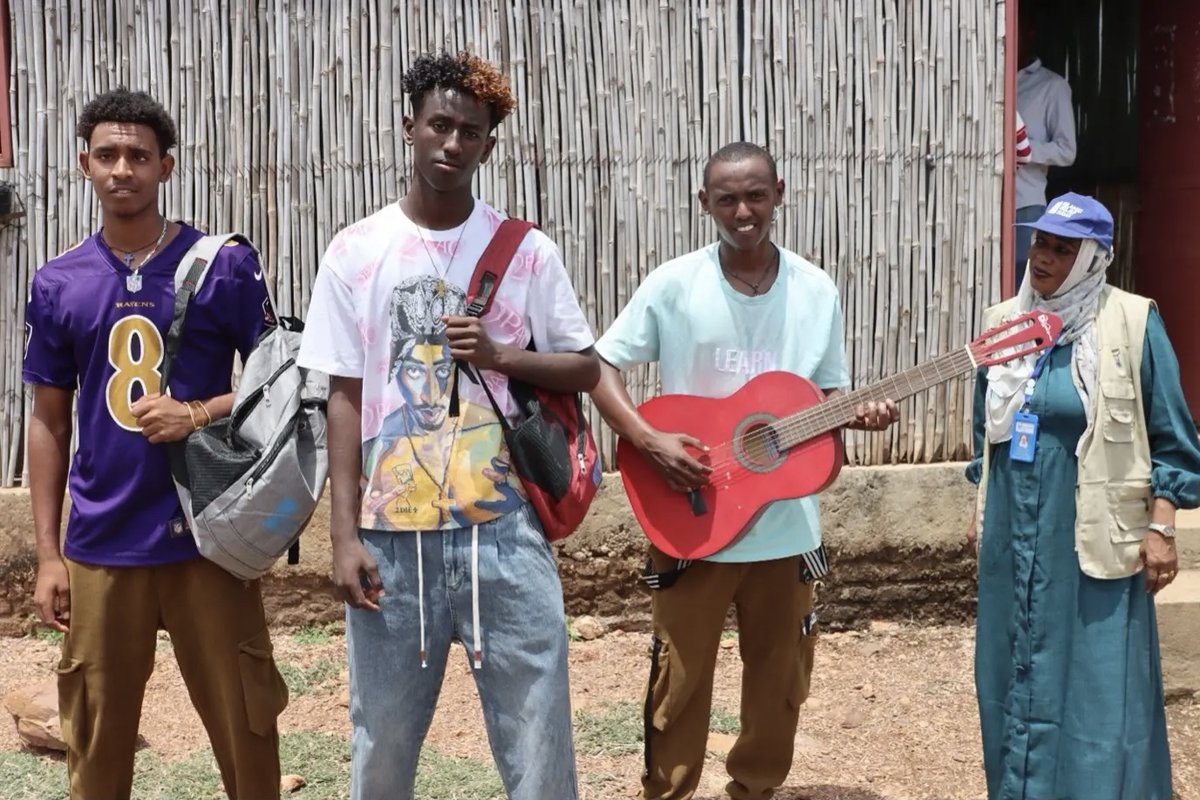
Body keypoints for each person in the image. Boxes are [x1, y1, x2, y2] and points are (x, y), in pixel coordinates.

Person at [297, 51, 599, 800]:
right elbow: (342, 394)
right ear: (409, 127)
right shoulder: (356, 251)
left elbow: (585, 368)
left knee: (539, 740)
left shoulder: (526, 252)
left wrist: (501, 355)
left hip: (505, 534)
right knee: (381, 744)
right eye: (439, 125)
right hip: (389, 543)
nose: (452, 143)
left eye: (471, 132)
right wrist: (341, 534)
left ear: (489, 145)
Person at [590, 141, 899, 800]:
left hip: (786, 531)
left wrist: (856, 414)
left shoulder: (815, 290)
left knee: (779, 684)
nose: (743, 212)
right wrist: (647, 439)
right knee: (678, 682)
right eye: (727, 199)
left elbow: (825, 397)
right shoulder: (675, 284)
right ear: (705, 202)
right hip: (693, 523)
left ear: (779, 193)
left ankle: (755, 791)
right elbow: (599, 364)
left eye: (756, 195)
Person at [23, 89, 286, 800]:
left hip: (210, 536)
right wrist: (49, 554)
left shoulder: (222, 266)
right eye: (107, 155)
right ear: (84, 163)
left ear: (165, 167)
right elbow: (49, 422)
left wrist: (196, 413)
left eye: (138, 156)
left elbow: (281, 384)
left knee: (247, 732)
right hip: (102, 544)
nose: (122, 169)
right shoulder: (58, 281)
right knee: (95, 742)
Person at [967, 192, 1198, 800]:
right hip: (1013, 531)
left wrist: (1162, 526)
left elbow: (1173, 439)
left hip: (1094, 533)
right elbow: (983, 431)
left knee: (1099, 683)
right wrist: (981, 504)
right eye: (1040, 242)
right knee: (1010, 671)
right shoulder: (1002, 323)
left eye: (1063, 249)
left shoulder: (1131, 322)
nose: (1043, 257)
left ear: (1093, 258)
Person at [1015, 6, 1077, 285]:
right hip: (979, 201)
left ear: (1030, 35)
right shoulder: (988, 80)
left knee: (1023, 284)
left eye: (1015, 31)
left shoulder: (1052, 86)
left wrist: (1025, 149)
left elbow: (1067, 150)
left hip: (1026, 203)